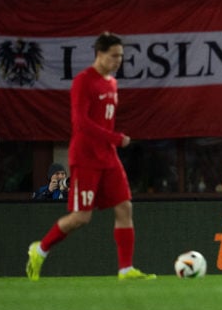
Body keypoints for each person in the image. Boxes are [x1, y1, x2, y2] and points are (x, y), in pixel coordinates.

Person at [26, 32, 156, 281]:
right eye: (114, 56)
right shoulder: (83, 81)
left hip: (108, 157)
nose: (118, 61)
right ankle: (40, 249)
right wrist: (116, 138)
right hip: (85, 157)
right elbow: (81, 123)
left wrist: (111, 143)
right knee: (81, 217)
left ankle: (126, 270)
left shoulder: (111, 83)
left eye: (121, 56)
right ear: (99, 54)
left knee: (125, 207)